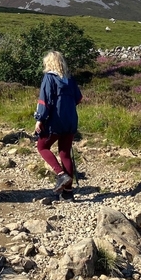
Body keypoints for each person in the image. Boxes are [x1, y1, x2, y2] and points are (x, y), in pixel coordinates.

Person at [34, 51, 83, 201]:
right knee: (65, 153)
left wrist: (39, 119)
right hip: (71, 119)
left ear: (49, 63)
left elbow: (45, 100)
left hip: (55, 120)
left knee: (42, 147)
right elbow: (78, 98)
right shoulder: (70, 78)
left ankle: (61, 175)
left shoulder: (49, 78)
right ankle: (68, 193)